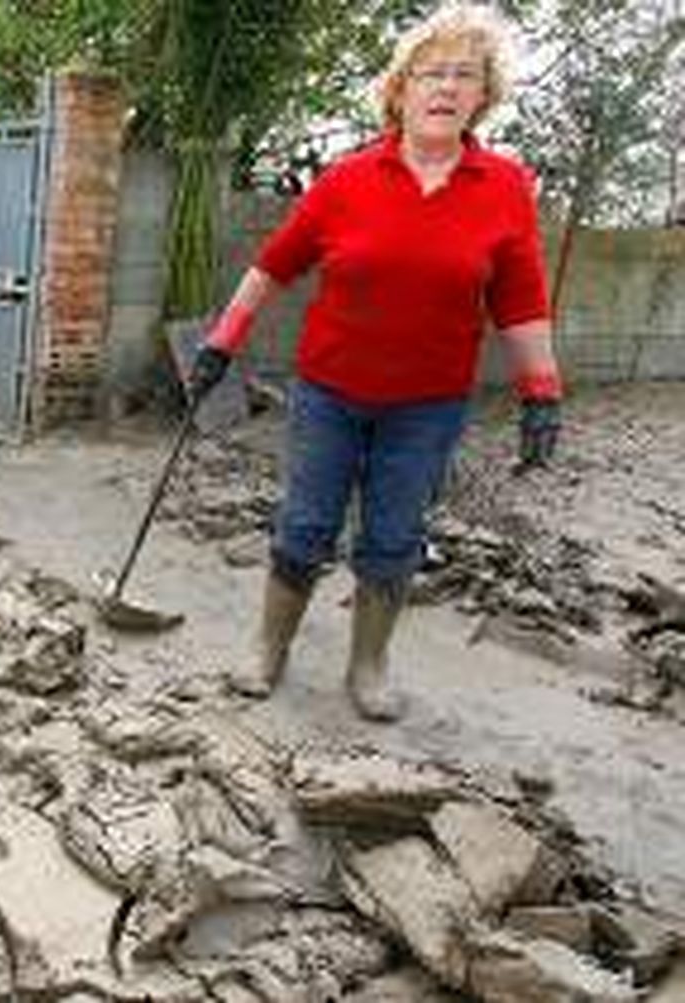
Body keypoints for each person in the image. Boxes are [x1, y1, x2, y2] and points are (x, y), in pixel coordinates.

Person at [187, 3, 563, 722]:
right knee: (304, 524)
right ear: (401, 89)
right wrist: (220, 343)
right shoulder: (348, 178)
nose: (446, 87)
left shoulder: (506, 188)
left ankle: (368, 665)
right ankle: (270, 647)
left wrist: (541, 392)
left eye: (465, 74)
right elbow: (272, 267)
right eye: (432, 72)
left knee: (395, 537)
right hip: (330, 391)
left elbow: (521, 301)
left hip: (428, 403)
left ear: (484, 94)